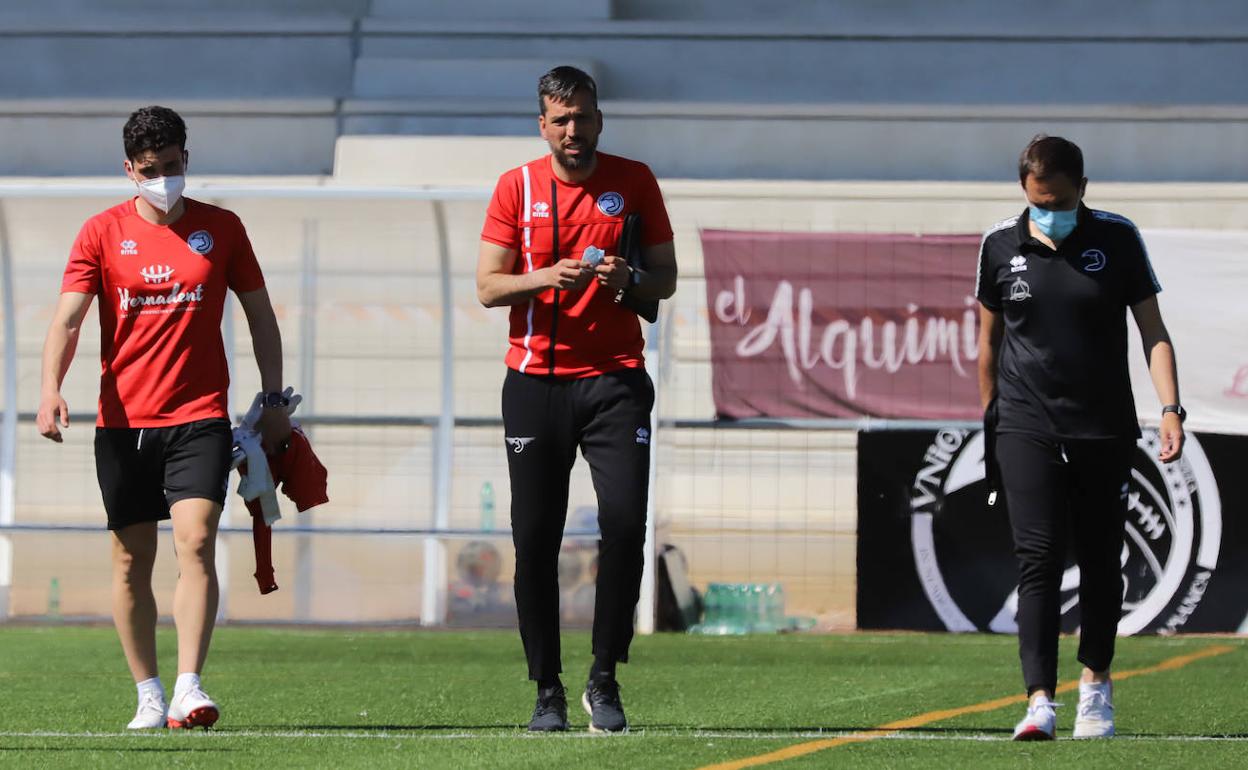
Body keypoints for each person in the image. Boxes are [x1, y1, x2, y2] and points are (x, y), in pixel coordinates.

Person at [36, 106, 291, 730]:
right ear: (130, 170)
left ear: (187, 158)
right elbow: (68, 320)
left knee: (198, 542)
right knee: (130, 560)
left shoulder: (223, 229)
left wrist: (276, 400)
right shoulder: (100, 233)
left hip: (199, 416)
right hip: (123, 422)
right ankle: (148, 692)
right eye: (151, 170)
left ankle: (188, 687)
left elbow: (260, 316)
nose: (165, 179)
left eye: (173, 166)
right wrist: (50, 389)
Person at [476, 66, 677, 733]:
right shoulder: (516, 186)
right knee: (535, 538)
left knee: (622, 526)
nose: (572, 129)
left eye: (582, 117)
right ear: (543, 125)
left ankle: (604, 677)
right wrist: (543, 278)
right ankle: (546, 690)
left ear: (598, 120)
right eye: (560, 119)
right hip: (534, 384)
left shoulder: (634, 181)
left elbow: (665, 281)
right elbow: (486, 286)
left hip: (616, 381)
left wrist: (627, 280)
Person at [975, 135, 1185, 741]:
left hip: (1102, 425)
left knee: (1099, 561)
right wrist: (991, 418)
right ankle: (1039, 700)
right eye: (1039, 201)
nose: (1049, 211)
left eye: (1061, 200)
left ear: (1083, 190)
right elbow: (988, 344)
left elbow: (1154, 332)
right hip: (1024, 423)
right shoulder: (998, 244)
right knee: (1036, 559)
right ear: (1023, 192)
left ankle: (1096, 685)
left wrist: (1169, 407)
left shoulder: (1117, 238)